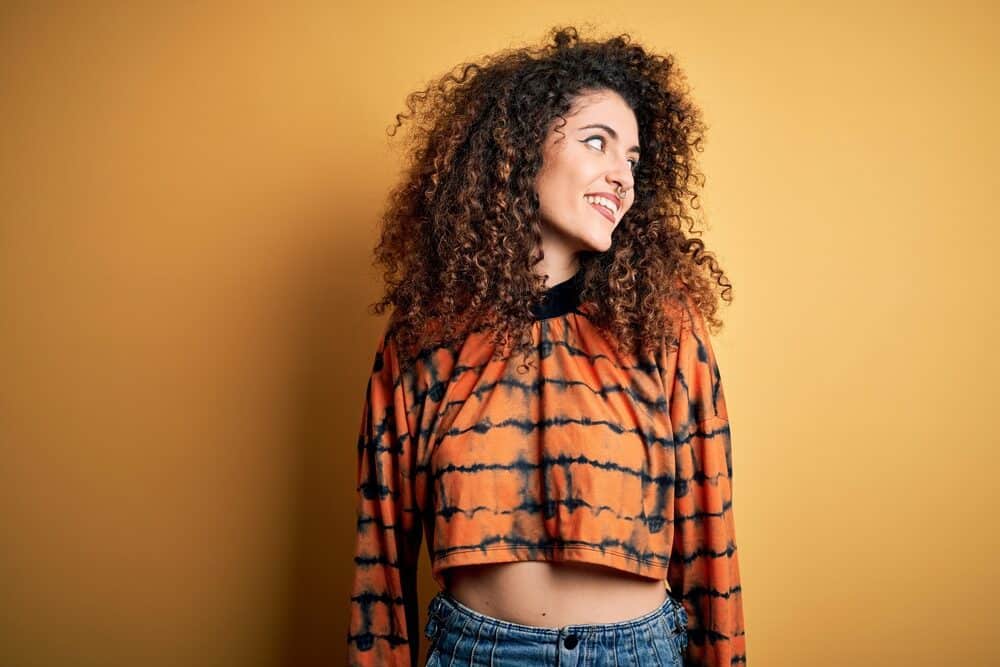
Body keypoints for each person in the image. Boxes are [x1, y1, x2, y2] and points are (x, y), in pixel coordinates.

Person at [346, 25, 746, 667]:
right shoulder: (425, 333)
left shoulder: (664, 322)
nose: (622, 177)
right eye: (598, 143)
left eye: (634, 161)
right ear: (520, 150)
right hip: (476, 652)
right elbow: (380, 548)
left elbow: (710, 531)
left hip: (637, 654)